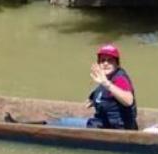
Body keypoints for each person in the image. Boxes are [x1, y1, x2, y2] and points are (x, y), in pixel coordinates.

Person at [7, 44, 138, 130]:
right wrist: (95, 99)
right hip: (101, 124)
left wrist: (106, 83)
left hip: (114, 129)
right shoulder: (108, 77)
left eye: (110, 61)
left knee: (61, 124)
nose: (105, 63)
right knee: (61, 120)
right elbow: (108, 96)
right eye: (102, 60)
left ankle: (18, 128)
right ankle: (20, 125)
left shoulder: (119, 79)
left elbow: (128, 100)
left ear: (117, 64)